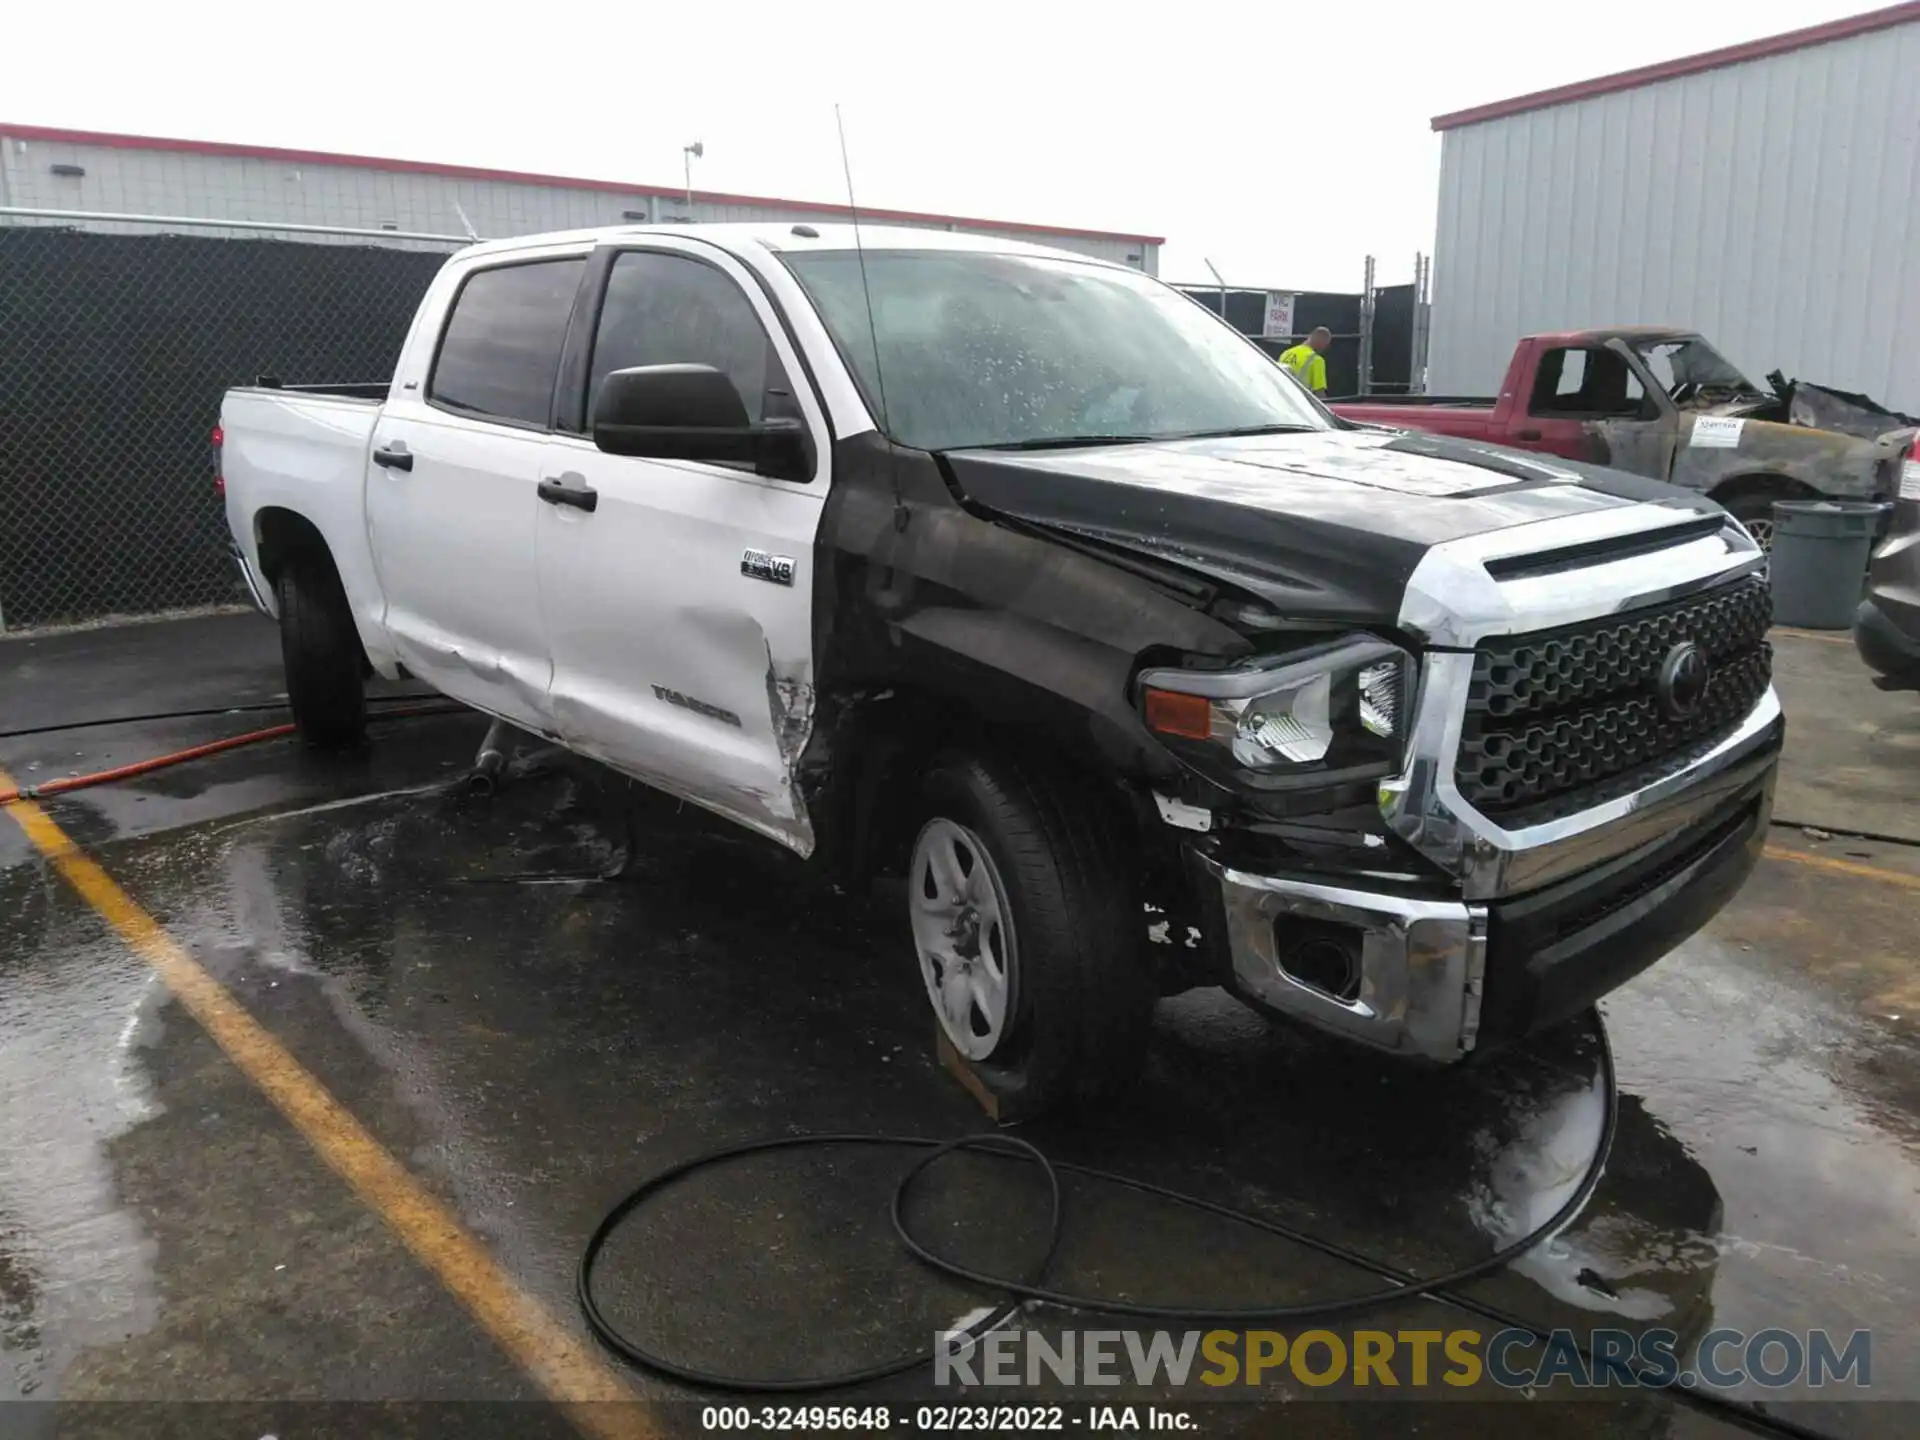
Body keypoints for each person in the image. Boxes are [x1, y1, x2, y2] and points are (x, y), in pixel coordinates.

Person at [1278, 327, 1332, 396]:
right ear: (1321, 342)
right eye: (1326, 345)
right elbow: (1319, 392)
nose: (1324, 349)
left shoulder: (1286, 353)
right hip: (1300, 403)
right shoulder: (1316, 360)